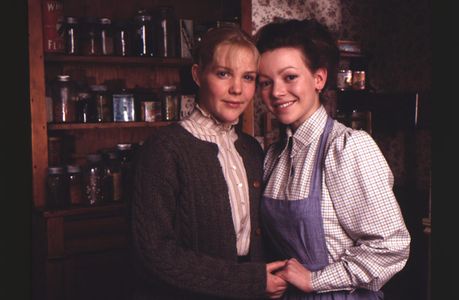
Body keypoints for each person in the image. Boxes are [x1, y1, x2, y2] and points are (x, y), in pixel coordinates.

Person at [255, 19, 411, 299]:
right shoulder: (273, 157)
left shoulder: (347, 148)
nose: (276, 92)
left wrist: (315, 280)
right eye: (266, 82)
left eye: (290, 77)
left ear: (319, 78)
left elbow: (392, 246)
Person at [130, 26, 288, 299]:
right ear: (198, 75)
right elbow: (154, 253)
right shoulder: (165, 149)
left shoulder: (251, 149)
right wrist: (249, 281)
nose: (237, 89)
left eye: (248, 77)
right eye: (223, 73)